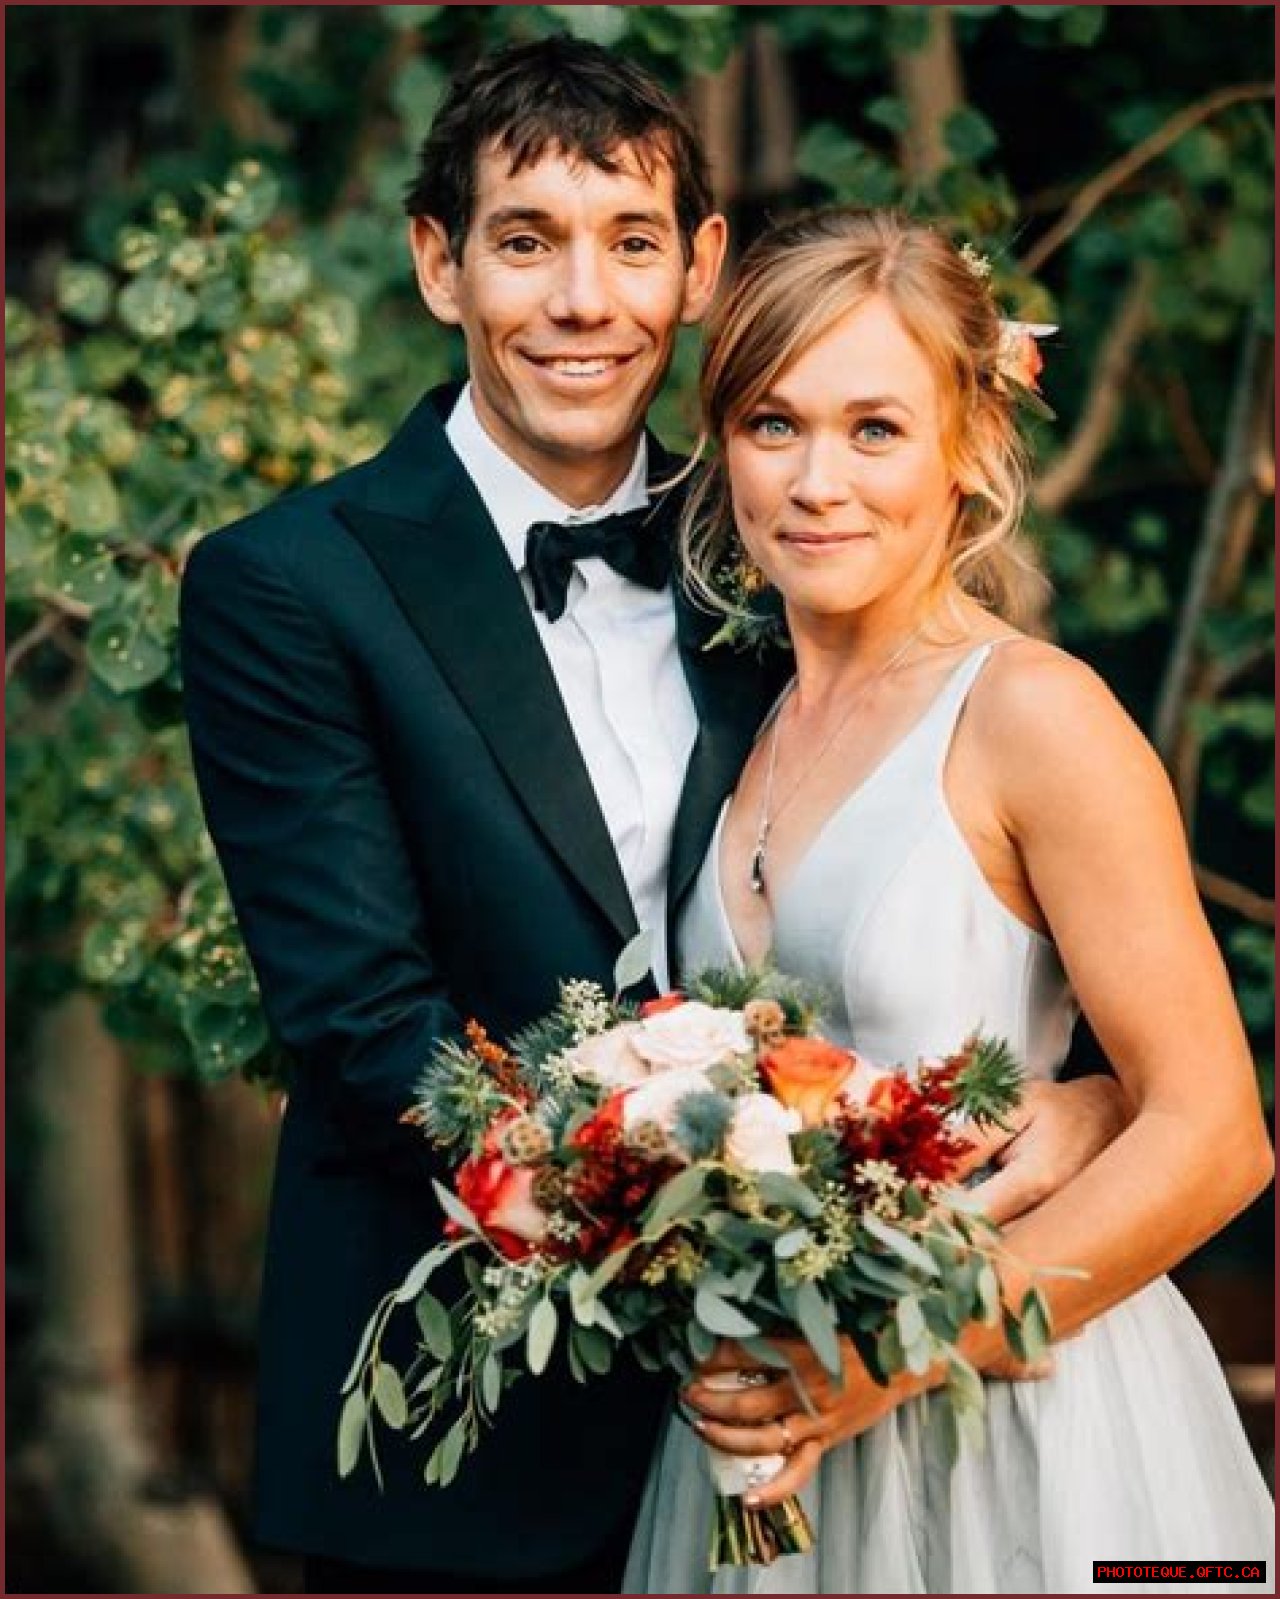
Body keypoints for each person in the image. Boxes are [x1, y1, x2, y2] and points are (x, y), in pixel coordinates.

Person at [181, 41, 1128, 1595]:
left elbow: (950, 878)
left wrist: (1082, 1103)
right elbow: (366, 1021)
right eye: (525, 241)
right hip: (463, 1437)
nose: (581, 301)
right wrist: (690, 1229)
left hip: (826, 1411)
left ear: (697, 271)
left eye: (630, 243)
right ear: (439, 263)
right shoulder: (290, 585)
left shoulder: (779, 526)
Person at [624, 207, 1275, 1595]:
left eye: (875, 429)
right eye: (771, 424)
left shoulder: (1035, 715)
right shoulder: (740, 726)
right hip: (772, 1435)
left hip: (1023, 1429)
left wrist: (887, 1357)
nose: (816, 481)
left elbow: (1219, 1136)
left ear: (969, 450)